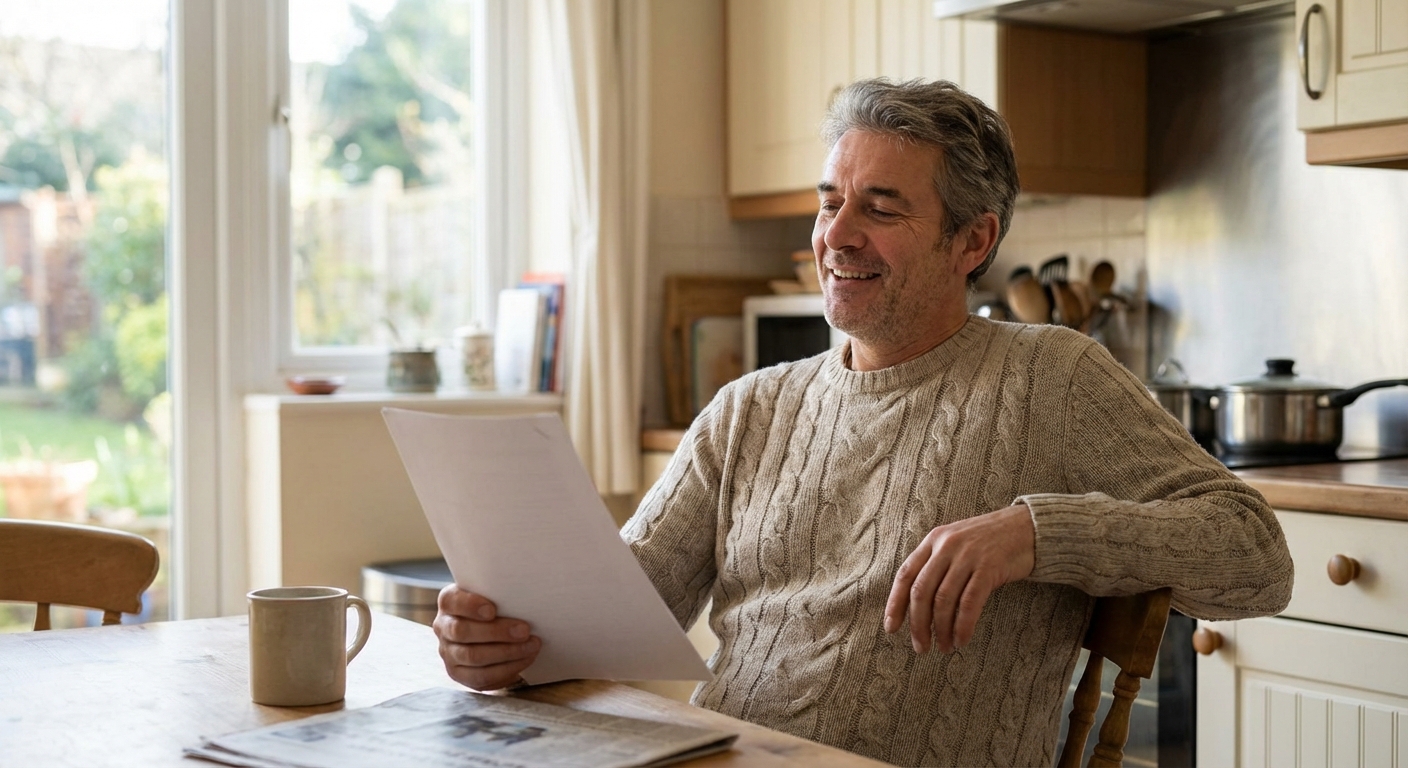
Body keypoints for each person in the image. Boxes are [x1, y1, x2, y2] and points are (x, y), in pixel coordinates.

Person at [433, 79, 1294, 767]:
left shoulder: (1050, 376)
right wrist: (502, 640)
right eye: (829, 201)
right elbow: (620, 607)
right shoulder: (750, 407)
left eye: (880, 209)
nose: (836, 236)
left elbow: (1257, 556)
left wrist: (1036, 534)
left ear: (972, 241)